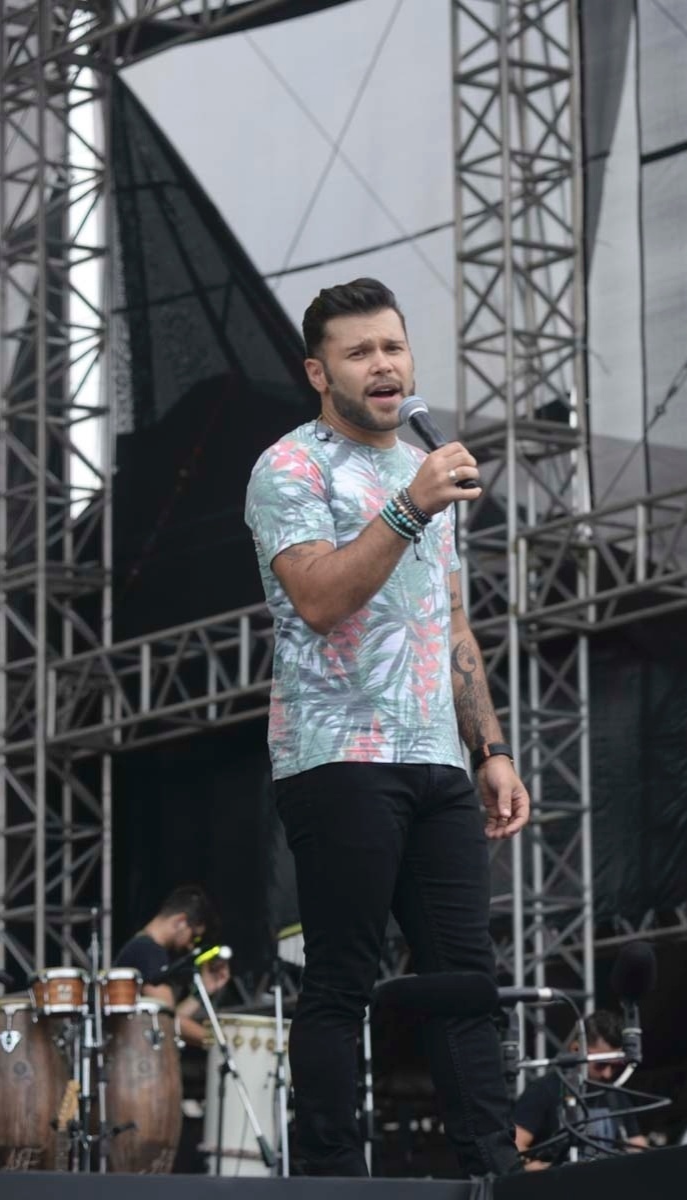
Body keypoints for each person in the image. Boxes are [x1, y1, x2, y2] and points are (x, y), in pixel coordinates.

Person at [243, 278, 530, 1178]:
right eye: (361, 352)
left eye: (394, 347)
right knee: (342, 981)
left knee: (467, 983)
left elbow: (449, 619)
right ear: (317, 370)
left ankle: (492, 1168)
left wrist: (490, 747)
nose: (384, 365)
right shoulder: (291, 466)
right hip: (337, 757)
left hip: (437, 759)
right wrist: (409, 505)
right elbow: (321, 597)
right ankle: (330, 1178)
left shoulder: (422, 460)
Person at [513, 1011, 648, 1167]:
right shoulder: (543, 1090)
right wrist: (546, 1173)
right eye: (601, 1064)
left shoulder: (615, 1093)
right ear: (576, 1050)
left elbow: (635, 1143)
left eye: (616, 1067)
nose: (607, 1074)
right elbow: (515, 1146)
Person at [113, 886, 229, 1045]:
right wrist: (225, 1043)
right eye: (194, 937)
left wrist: (202, 991)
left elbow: (168, 1016)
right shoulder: (148, 951)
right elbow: (169, 1021)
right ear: (180, 921)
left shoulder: (143, 947)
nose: (190, 946)